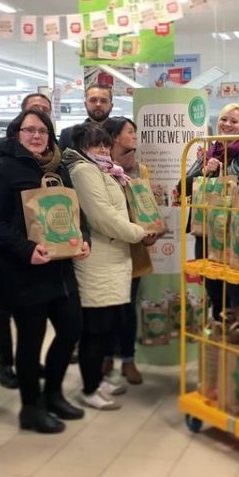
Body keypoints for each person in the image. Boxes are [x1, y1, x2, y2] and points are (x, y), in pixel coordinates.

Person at [0, 108, 90, 434]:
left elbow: (74, 211)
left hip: (60, 268)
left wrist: (83, 238)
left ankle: (53, 394)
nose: (36, 136)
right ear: (16, 134)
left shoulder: (60, 170)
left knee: (72, 329)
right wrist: (27, 249)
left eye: (42, 130)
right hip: (22, 270)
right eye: (29, 130)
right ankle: (31, 408)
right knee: (31, 340)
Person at [64, 123, 158, 409]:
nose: (103, 150)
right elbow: (101, 216)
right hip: (98, 262)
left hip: (115, 259)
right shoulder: (83, 171)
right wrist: (137, 233)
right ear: (82, 148)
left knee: (108, 327)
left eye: (105, 145)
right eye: (96, 146)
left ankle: (97, 380)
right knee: (95, 328)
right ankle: (90, 388)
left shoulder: (106, 171)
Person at [0, 93, 53, 388]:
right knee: (1, 310)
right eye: (32, 120)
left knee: (33, 325)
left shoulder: (54, 160)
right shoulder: (0, 154)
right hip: (10, 251)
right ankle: (5, 364)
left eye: (44, 119)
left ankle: (29, 363)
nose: (37, 132)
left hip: (44, 254)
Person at [180, 103, 239, 320]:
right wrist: (204, 171)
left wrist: (224, 175)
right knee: (214, 291)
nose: (227, 124)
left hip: (237, 235)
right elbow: (182, 187)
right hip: (208, 234)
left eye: (234, 121)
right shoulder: (207, 153)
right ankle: (220, 341)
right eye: (224, 119)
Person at [101, 116, 150, 384]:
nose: (134, 135)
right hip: (107, 247)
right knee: (108, 305)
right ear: (115, 137)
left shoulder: (140, 170)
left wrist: (150, 231)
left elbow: (147, 207)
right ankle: (106, 355)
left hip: (134, 247)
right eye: (130, 131)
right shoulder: (100, 169)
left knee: (128, 306)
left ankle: (128, 360)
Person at [58, 83, 114, 150]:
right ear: (85, 105)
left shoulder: (122, 133)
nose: (98, 104)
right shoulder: (68, 135)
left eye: (103, 101)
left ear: (111, 106)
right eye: (93, 100)